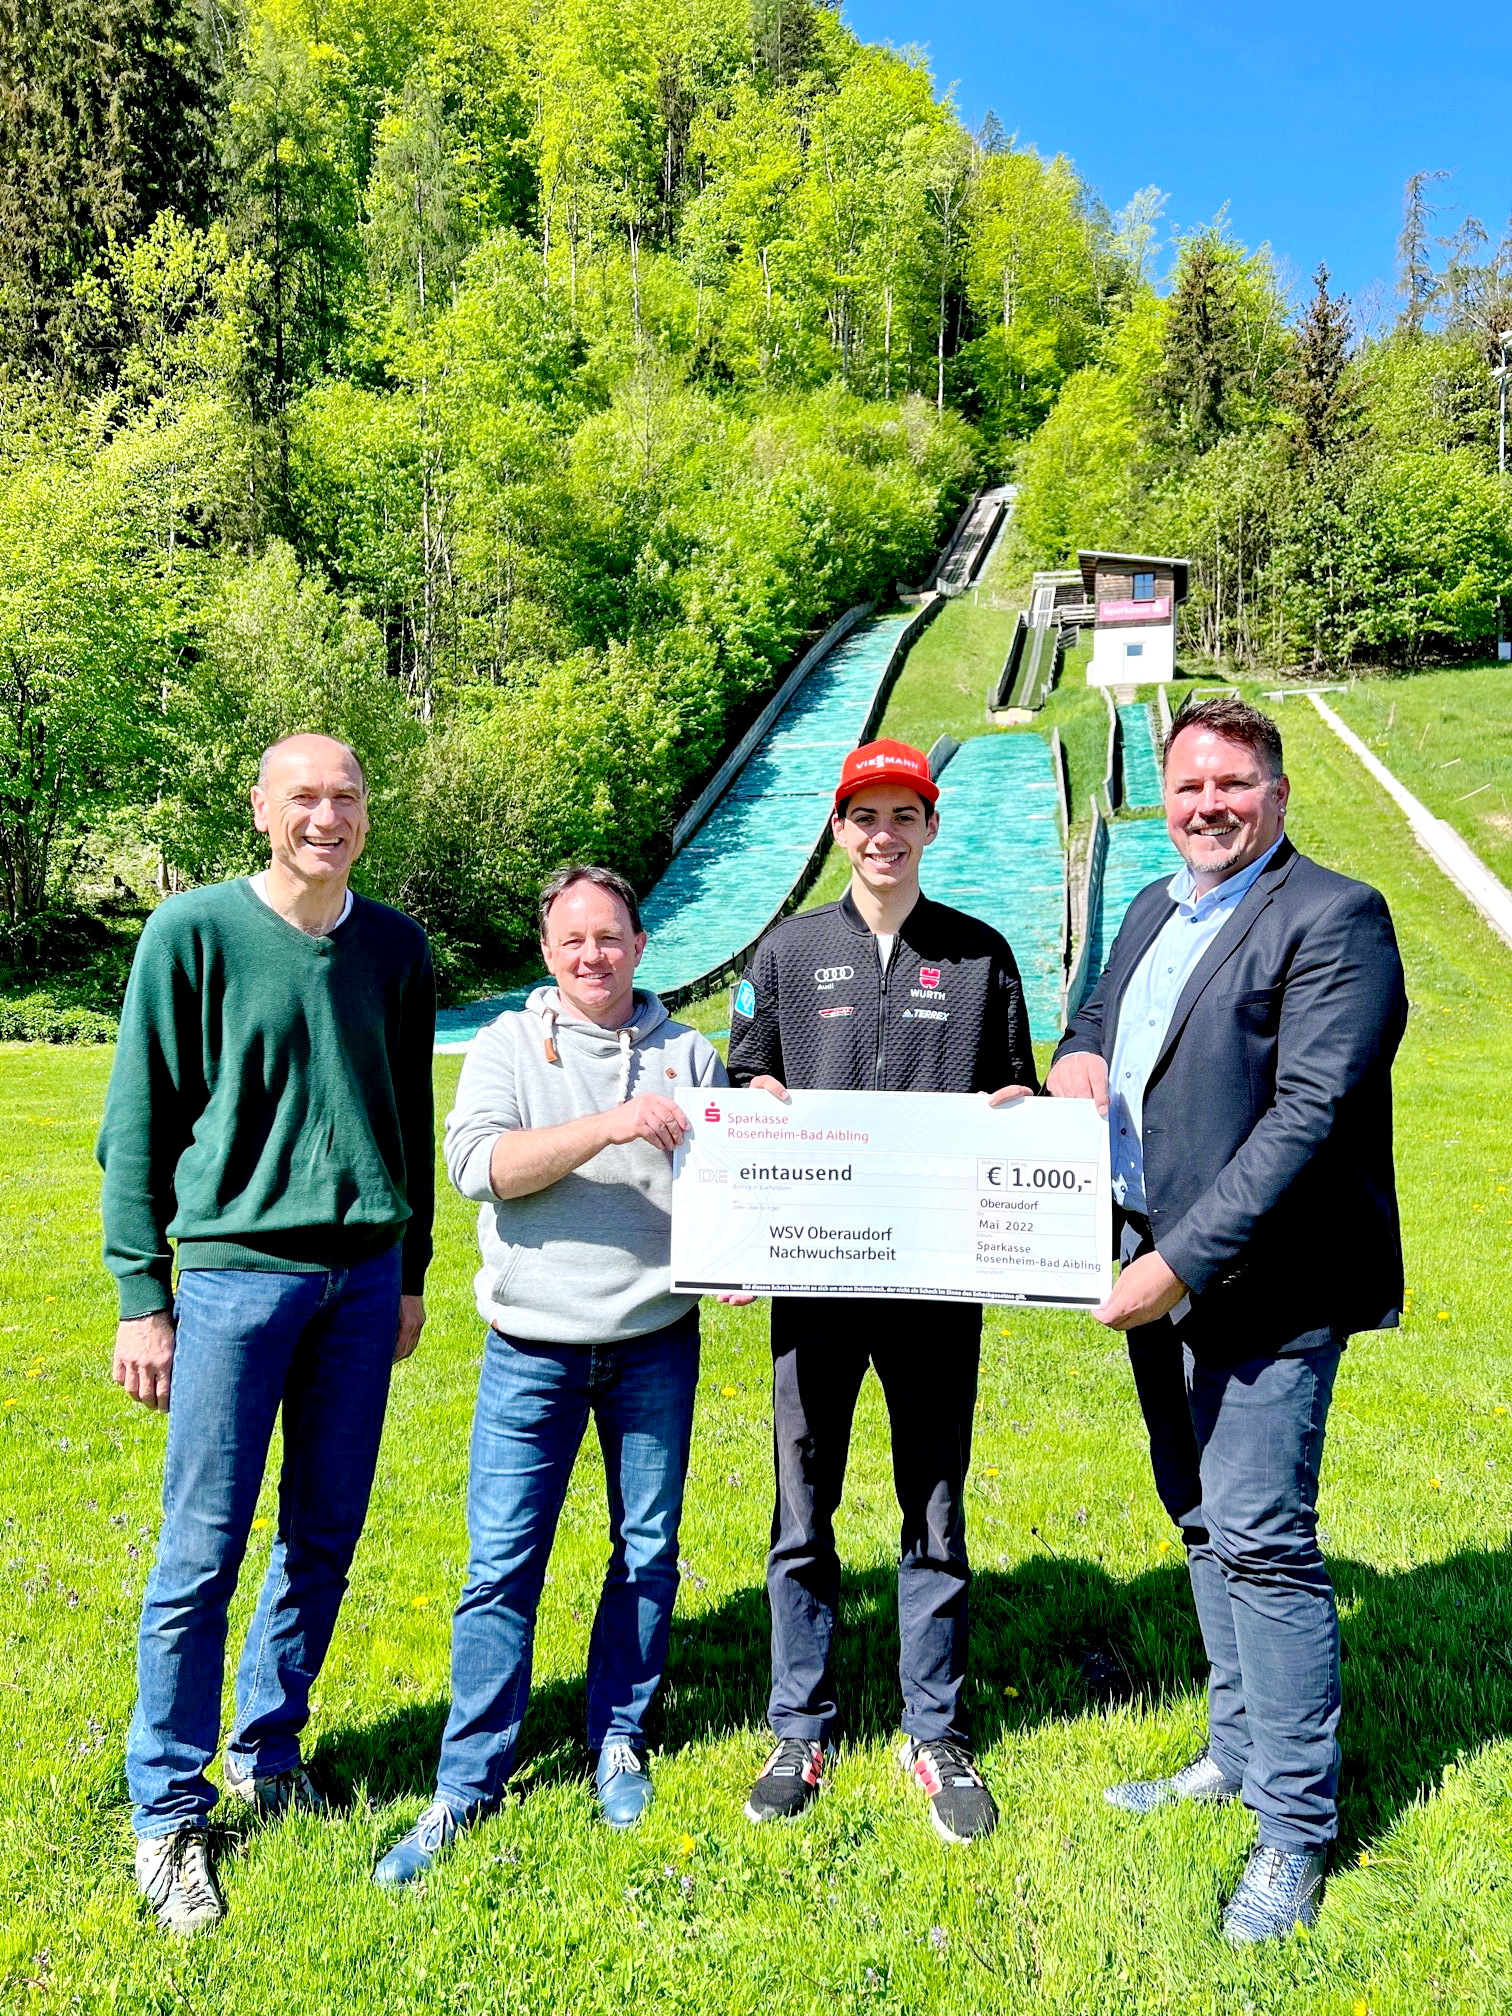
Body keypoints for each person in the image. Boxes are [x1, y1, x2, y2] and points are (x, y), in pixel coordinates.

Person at [1047, 695, 1407, 1945]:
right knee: (1201, 1518)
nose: (1209, 805)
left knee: (1262, 1538)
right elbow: (1100, 1020)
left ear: (1279, 794)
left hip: (1266, 1284)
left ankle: (1295, 1832)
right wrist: (1077, 1058)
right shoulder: (1157, 905)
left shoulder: (1335, 917)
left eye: (1234, 783)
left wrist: (1182, 1264)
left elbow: (1311, 1117)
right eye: (1190, 786)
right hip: (1150, 1255)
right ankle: (1237, 1752)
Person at [97, 734, 435, 1937]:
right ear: (260, 810)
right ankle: (167, 1809)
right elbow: (136, 1124)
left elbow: (407, 1117)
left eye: (346, 795)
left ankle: (267, 1750)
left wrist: (410, 1274)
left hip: (364, 1282)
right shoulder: (191, 933)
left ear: (366, 810)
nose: (326, 816)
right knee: (201, 1549)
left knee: (323, 1537)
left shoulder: (395, 948)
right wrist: (142, 1297)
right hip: (236, 1281)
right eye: (303, 797)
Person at [373, 864, 727, 1885]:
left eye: (609, 937)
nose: (592, 955)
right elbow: (478, 1167)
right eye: (572, 940)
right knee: (501, 1566)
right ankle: (468, 1781)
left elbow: (728, 1186)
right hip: (531, 1346)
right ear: (547, 951)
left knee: (648, 1551)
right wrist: (609, 1125)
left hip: (655, 1338)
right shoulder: (504, 1045)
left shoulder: (690, 1055)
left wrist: (737, 1256)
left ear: (641, 945)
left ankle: (618, 1736)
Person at [726, 737, 1039, 1845]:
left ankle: (934, 1730)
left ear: (930, 827)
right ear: (839, 827)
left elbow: (1019, 1090)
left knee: (935, 1503)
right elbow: (741, 1083)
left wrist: (1016, 1113)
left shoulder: (982, 954)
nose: (884, 835)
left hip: (937, 1281)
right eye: (866, 816)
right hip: (815, 1281)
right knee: (801, 1503)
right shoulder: (785, 949)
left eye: (905, 815)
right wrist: (753, 1110)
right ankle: (799, 1726)